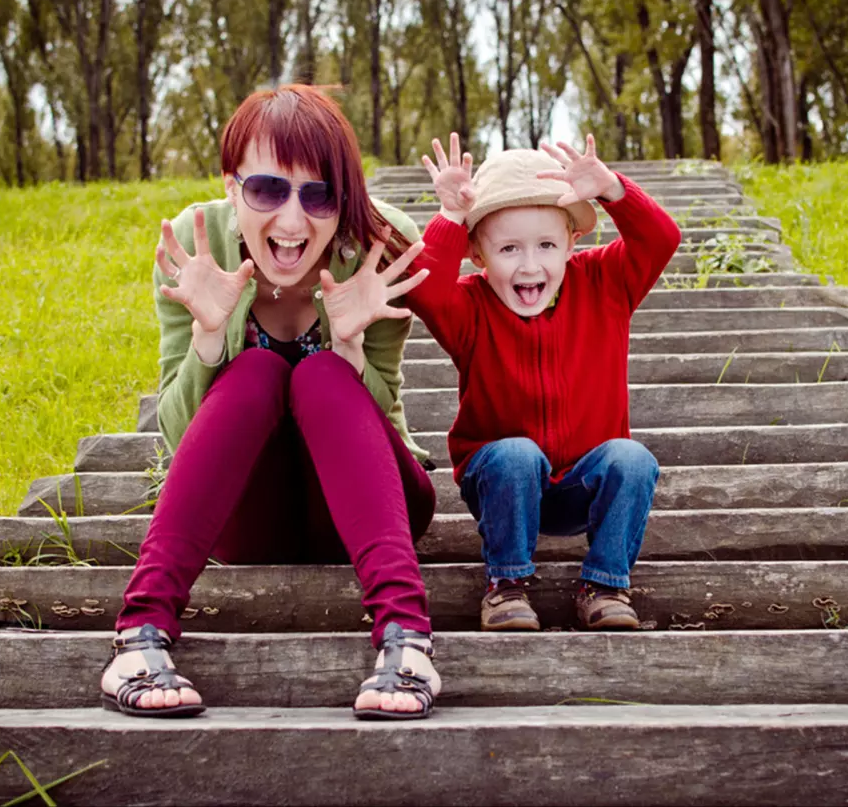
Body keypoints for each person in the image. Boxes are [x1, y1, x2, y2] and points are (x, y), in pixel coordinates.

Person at [100, 85, 440, 721]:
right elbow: (178, 437)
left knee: (318, 377)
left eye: (320, 194)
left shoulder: (378, 248)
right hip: (246, 518)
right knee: (256, 369)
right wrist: (207, 337)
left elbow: (384, 409)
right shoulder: (193, 248)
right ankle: (139, 635)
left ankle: (407, 638)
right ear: (232, 186)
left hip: (369, 506)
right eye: (267, 190)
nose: (291, 221)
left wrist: (349, 346)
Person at [408, 133, 681, 632]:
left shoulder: (606, 283)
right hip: (502, 483)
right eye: (509, 247)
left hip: (581, 483)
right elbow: (425, 289)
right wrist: (449, 216)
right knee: (515, 453)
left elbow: (662, 239)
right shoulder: (469, 308)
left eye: (547, 245)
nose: (530, 265)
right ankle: (506, 584)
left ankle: (604, 584)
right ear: (477, 255)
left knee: (633, 458)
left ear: (573, 243)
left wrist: (613, 189)